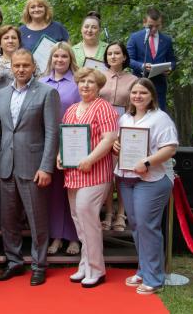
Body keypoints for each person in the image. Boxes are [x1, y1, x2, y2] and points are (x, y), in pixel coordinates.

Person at [0, 49, 60, 286]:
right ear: (11, 67)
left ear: (33, 67)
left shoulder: (47, 93)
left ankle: (39, 265)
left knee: (36, 219)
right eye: (17, 65)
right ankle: (14, 262)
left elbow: (52, 133)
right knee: (8, 220)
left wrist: (46, 167)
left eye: (25, 65)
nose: (21, 69)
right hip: (6, 166)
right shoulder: (1, 95)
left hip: (34, 167)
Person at [113, 78, 178, 295]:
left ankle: (154, 278)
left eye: (143, 93)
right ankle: (144, 269)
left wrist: (147, 162)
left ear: (152, 96)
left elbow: (169, 149)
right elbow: (121, 145)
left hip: (152, 179)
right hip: (126, 178)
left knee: (147, 226)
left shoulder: (160, 119)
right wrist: (116, 146)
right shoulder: (125, 117)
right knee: (138, 226)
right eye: (134, 93)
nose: (138, 96)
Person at [57, 67, 118, 288]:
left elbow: (109, 139)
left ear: (99, 85)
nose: (85, 85)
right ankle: (85, 264)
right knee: (78, 219)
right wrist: (60, 156)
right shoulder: (72, 109)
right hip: (73, 172)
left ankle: (97, 268)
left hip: (96, 172)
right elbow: (66, 137)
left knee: (87, 216)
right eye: (82, 81)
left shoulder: (104, 108)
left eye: (90, 82)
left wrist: (90, 159)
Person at [39, 42, 80, 255]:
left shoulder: (77, 84)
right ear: (51, 59)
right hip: (46, 143)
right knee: (52, 193)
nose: (60, 60)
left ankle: (73, 237)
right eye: (56, 57)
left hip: (71, 144)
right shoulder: (40, 82)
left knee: (71, 191)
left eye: (64, 56)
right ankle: (56, 237)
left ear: (70, 59)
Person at [99, 41, 138, 231]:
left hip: (124, 131)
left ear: (124, 57)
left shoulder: (133, 80)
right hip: (102, 131)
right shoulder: (99, 76)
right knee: (106, 174)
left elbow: (137, 106)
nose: (113, 57)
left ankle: (121, 214)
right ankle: (107, 213)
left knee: (122, 174)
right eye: (109, 54)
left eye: (117, 53)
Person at [127, 7, 176, 111]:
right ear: (144, 22)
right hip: (140, 84)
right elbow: (128, 60)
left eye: (157, 26)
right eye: (150, 26)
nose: (154, 29)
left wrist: (170, 69)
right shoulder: (135, 38)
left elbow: (172, 60)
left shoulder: (166, 40)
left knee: (159, 116)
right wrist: (142, 66)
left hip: (159, 87)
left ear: (161, 23)